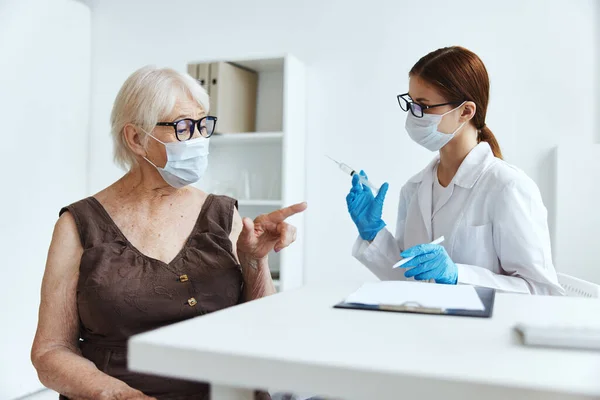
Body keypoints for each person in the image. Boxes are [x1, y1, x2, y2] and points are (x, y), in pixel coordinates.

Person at [31, 65, 307, 399]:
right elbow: (50, 352)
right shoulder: (78, 224)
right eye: (183, 127)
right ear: (136, 138)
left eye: (203, 124)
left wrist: (253, 261)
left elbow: (264, 332)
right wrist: (121, 396)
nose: (199, 140)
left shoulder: (223, 214)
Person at [346, 46, 563, 295]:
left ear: (466, 111)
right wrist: (373, 233)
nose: (414, 115)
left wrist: (458, 275)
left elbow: (542, 292)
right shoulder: (414, 189)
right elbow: (408, 276)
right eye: (411, 104)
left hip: (482, 332)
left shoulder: (507, 186)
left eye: (424, 106)